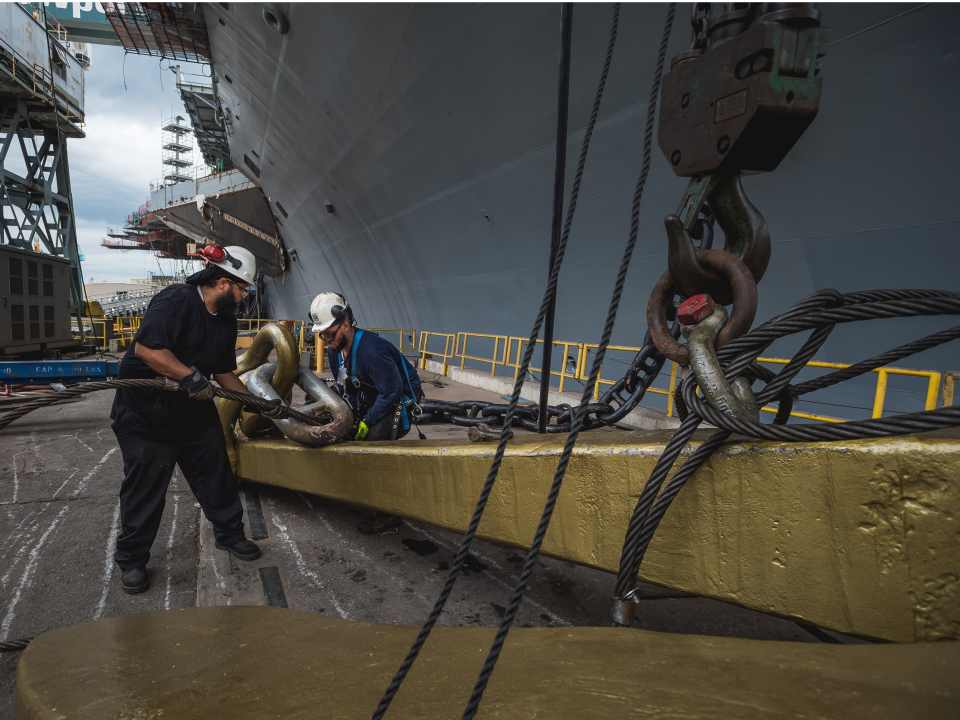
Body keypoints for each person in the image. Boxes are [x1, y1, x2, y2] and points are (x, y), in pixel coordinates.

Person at [109, 245, 261, 594]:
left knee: (216, 474)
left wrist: (253, 402)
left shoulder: (225, 321)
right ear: (224, 282)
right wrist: (189, 376)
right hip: (146, 415)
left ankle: (230, 534)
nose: (242, 297)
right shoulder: (176, 300)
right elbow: (147, 350)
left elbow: (223, 370)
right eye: (242, 290)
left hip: (193, 413)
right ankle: (132, 560)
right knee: (146, 489)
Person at [310, 292, 424, 533]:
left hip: (396, 403)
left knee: (372, 449)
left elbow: (392, 391)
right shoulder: (334, 349)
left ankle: (388, 513)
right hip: (370, 399)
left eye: (329, 334)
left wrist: (367, 421)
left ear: (346, 324)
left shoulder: (371, 352)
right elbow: (343, 385)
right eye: (322, 335)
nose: (326, 340)